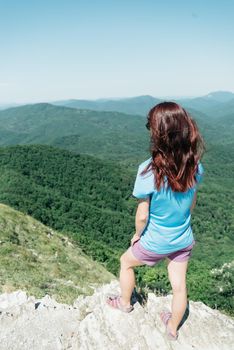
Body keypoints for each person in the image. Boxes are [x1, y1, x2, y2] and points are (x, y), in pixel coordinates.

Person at [106, 101, 205, 341]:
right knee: (179, 285)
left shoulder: (148, 171)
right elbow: (191, 203)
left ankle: (125, 303)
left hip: (155, 241)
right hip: (183, 238)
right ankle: (172, 328)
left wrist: (138, 235)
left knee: (126, 262)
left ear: (158, 133)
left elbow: (142, 215)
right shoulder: (195, 166)